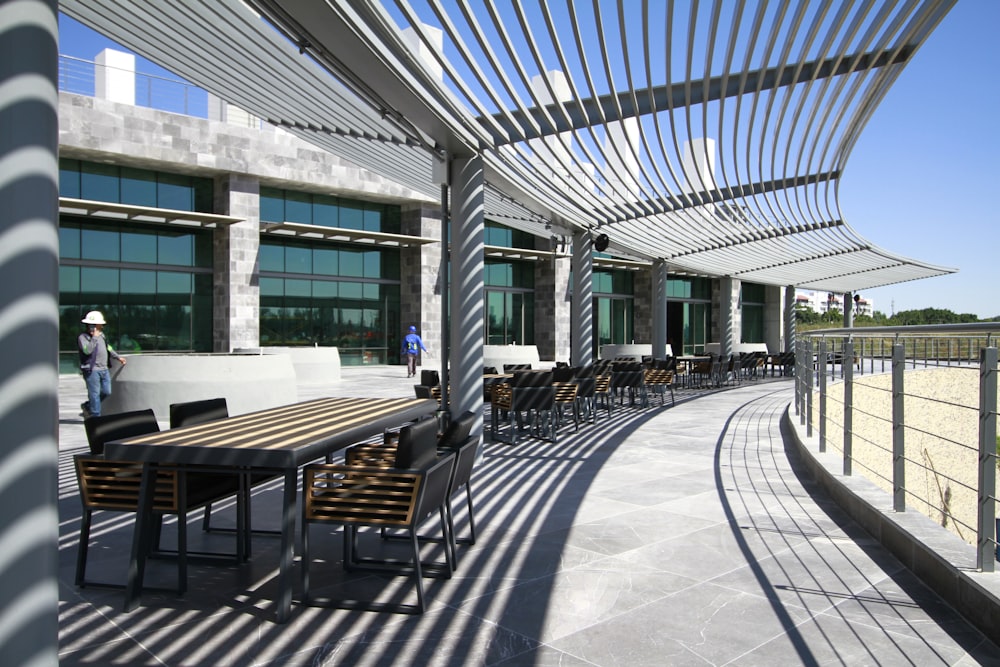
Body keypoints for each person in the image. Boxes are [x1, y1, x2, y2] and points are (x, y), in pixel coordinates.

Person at [78, 310, 127, 418]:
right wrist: (94, 337)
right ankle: (96, 417)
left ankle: (88, 405)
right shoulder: (83, 337)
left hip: (104, 369)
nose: (97, 328)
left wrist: (118, 357)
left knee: (106, 391)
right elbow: (87, 351)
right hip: (92, 370)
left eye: (98, 326)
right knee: (94, 394)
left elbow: (108, 348)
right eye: (93, 326)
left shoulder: (102, 336)